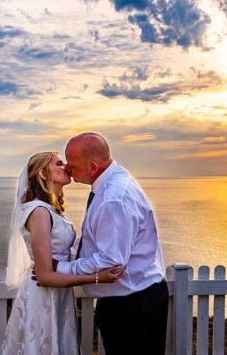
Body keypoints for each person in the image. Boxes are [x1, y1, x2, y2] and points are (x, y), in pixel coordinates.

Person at [0, 151, 126, 355]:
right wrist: (95, 278)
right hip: (44, 296)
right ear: (42, 173)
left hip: (59, 293)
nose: (66, 166)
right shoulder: (39, 212)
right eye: (59, 163)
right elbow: (44, 276)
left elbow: (64, 250)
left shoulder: (51, 209)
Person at [56, 133, 168, 355]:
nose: (68, 169)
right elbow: (97, 239)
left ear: (93, 166)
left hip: (133, 306)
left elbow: (111, 261)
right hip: (132, 299)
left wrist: (62, 268)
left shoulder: (113, 198)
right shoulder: (111, 183)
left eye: (73, 165)